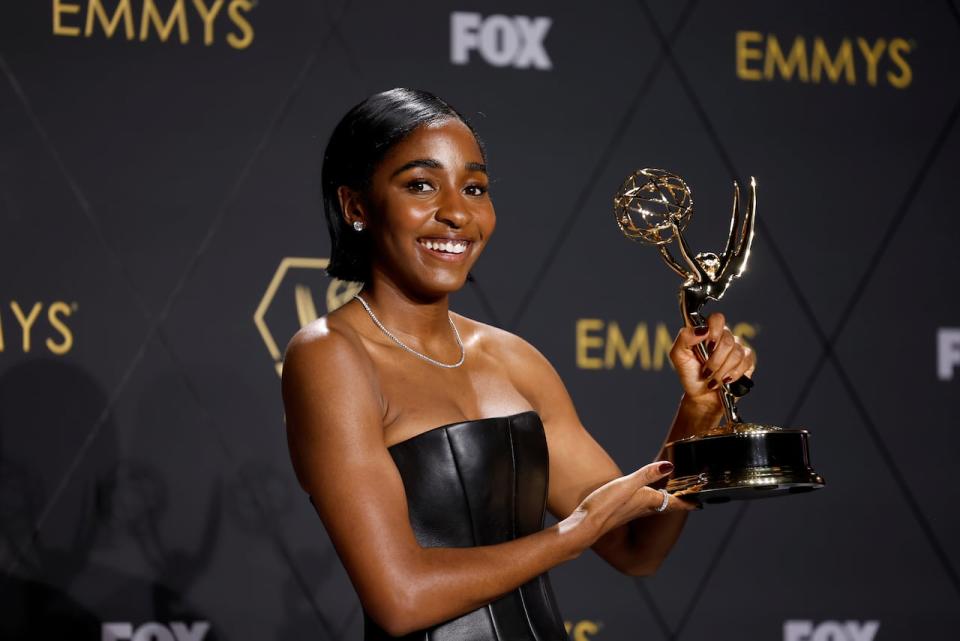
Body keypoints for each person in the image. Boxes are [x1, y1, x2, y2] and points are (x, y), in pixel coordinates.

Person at [281, 88, 755, 640]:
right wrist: (570, 535)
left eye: (475, 188)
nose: (457, 212)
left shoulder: (514, 359)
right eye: (420, 185)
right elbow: (400, 599)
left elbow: (635, 549)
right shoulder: (330, 356)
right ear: (356, 206)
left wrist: (696, 413)